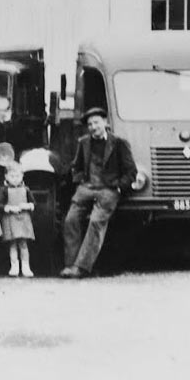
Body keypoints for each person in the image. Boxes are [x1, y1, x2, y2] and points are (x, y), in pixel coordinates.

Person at [60, 107, 138, 279]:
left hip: (108, 190)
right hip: (87, 187)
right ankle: (70, 264)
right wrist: (80, 180)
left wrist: (118, 187)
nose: (93, 127)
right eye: (89, 124)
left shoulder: (119, 143)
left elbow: (131, 171)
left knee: (96, 222)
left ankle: (81, 267)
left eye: (96, 122)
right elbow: (77, 166)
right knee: (70, 220)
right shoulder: (84, 142)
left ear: (105, 122)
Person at [0, 161, 36, 278]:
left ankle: (26, 266)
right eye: (12, 176)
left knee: (23, 244)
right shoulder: (4, 190)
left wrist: (27, 206)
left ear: (22, 176)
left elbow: (33, 203)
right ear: (6, 176)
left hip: (24, 219)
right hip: (10, 219)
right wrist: (8, 208)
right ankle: (14, 266)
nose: (15, 179)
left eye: (18, 176)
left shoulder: (26, 189)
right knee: (12, 244)